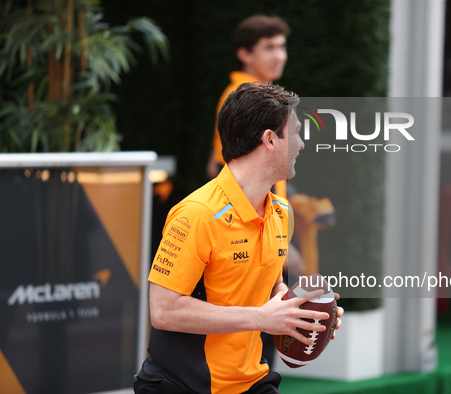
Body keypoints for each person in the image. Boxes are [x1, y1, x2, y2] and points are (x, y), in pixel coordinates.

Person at [134, 82, 343, 394]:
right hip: (182, 385)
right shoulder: (197, 213)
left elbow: (271, 287)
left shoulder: (281, 212)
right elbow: (164, 311)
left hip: (250, 382)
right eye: (296, 132)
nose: (301, 144)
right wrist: (263, 317)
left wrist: (300, 313)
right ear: (270, 139)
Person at [207, 15, 289, 180]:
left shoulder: (245, 92)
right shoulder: (248, 97)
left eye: (281, 47)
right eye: (269, 48)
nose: (279, 56)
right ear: (245, 54)